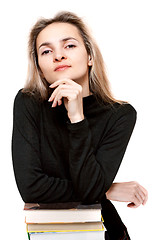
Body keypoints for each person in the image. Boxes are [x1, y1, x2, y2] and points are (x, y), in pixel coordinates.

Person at [12, 11, 148, 240]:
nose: (58, 56)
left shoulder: (120, 115)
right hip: (48, 233)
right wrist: (107, 189)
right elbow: (31, 187)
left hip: (103, 230)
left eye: (70, 46)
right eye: (46, 51)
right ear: (40, 67)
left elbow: (90, 191)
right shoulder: (28, 102)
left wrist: (77, 117)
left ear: (89, 56)